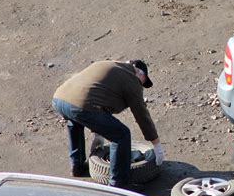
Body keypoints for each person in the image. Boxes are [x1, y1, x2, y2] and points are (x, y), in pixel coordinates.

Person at [52, 59, 164, 188]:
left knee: (75, 121)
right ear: (140, 73)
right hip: (81, 106)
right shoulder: (132, 79)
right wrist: (156, 144)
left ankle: (77, 166)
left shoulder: (108, 65)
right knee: (121, 135)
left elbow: (97, 96)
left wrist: (98, 135)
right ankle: (119, 183)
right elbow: (141, 114)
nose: (142, 85)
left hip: (59, 99)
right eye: (144, 81)